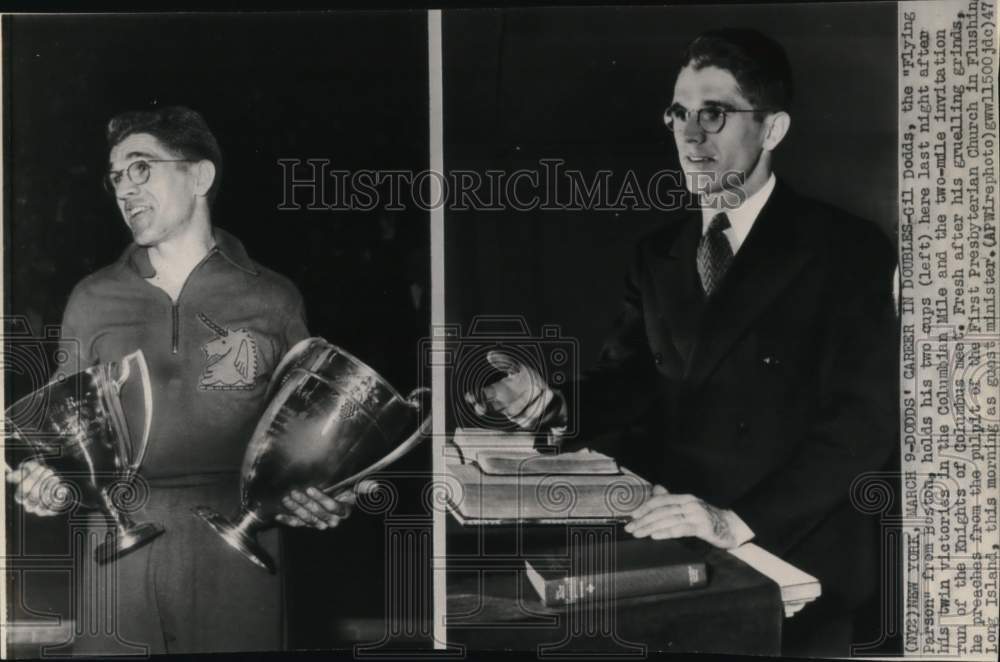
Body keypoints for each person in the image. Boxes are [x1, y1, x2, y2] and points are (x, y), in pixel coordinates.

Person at [467, 29, 897, 656]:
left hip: (792, 558)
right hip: (678, 544)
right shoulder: (659, 254)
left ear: (772, 130)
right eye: (679, 114)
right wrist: (553, 405)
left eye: (715, 115)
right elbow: (631, 379)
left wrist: (734, 521)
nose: (691, 138)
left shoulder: (845, 249)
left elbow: (862, 426)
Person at [7, 106, 364, 653]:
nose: (125, 189)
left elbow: (311, 434)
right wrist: (48, 485)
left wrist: (329, 493)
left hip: (238, 545)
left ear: (199, 176)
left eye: (141, 168)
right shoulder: (92, 298)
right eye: (116, 177)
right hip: (118, 543)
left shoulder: (271, 297)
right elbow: (64, 433)